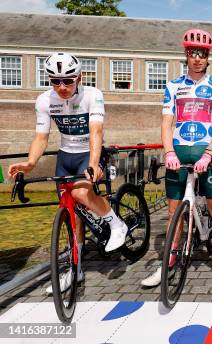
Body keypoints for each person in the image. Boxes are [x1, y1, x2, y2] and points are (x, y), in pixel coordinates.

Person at [8, 52, 127, 294]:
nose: (61, 87)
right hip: (66, 156)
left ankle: (116, 224)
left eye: (68, 81)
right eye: (55, 81)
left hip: (89, 152)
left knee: (82, 195)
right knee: (71, 212)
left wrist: (93, 163)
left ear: (79, 78)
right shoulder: (44, 101)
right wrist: (30, 163)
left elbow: (96, 131)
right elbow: (42, 136)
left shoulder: (92, 95)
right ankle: (76, 269)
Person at [141, 29, 212, 289]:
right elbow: (166, 124)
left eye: (202, 54)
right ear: (186, 55)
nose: (197, 58)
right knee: (174, 211)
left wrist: (209, 153)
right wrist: (169, 153)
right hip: (179, 152)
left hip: (206, 154)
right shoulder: (173, 86)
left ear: (208, 57)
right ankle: (169, 262)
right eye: (192, 53)